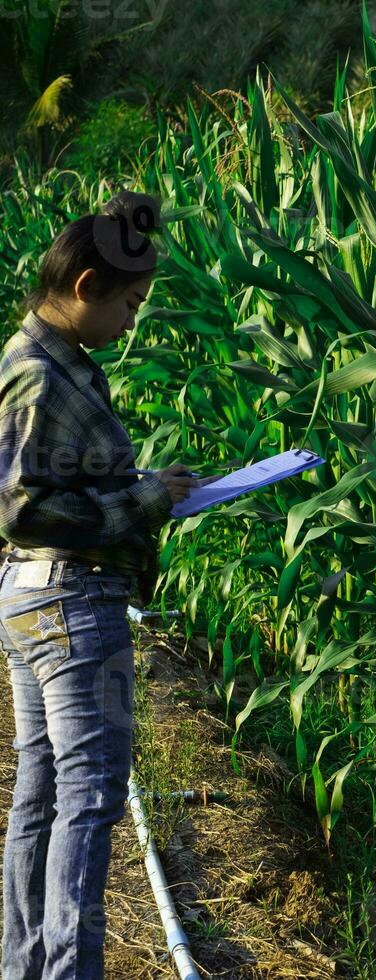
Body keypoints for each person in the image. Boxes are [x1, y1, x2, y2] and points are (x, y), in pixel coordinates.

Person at [0, 190, 203, 979]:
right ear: (85, 287)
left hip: (42, 600)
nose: (132, 322)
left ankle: (28, 969)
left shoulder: (53, 363)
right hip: (71, 605)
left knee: (44, 800)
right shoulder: (41, 375)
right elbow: (21, 506)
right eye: (128, 303)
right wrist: (146, 498)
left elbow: (59, 480)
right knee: (85, 802)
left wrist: (149, 481)